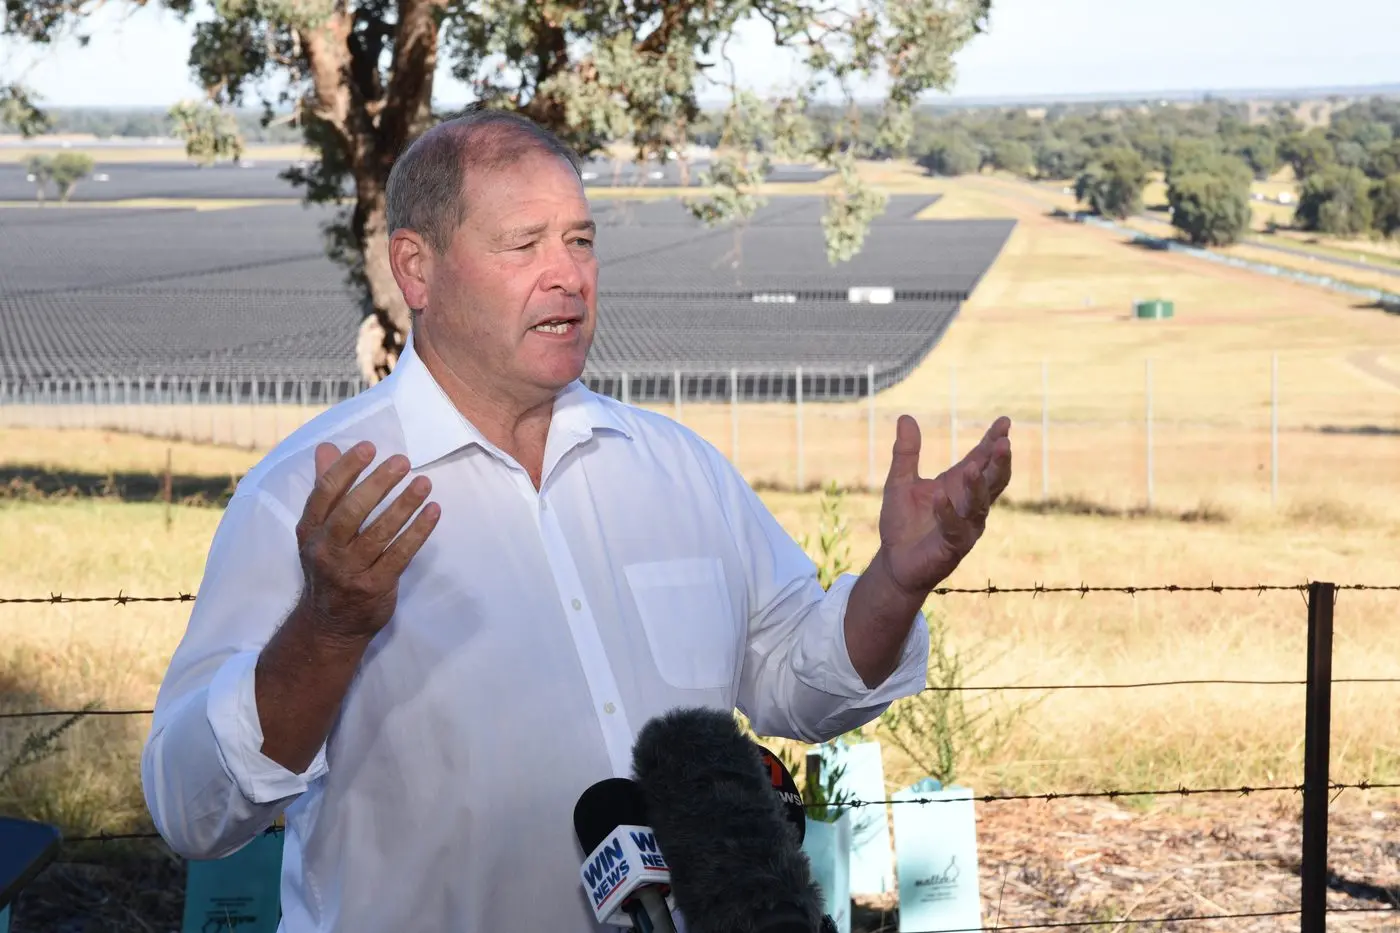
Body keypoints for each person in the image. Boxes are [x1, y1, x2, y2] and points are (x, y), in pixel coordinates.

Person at [141, 106, 1012, 933]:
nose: (569, 275)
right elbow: (192, 810)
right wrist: (327, 631)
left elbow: (799, 681)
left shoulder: (677, 469)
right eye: (525, 244)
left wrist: (895, 584)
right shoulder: (310, 495)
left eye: (581, 240)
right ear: (416, 269)